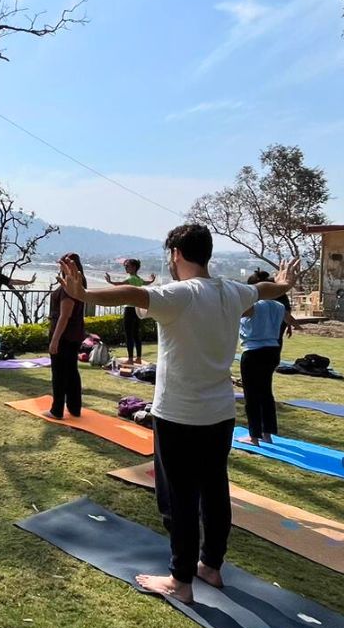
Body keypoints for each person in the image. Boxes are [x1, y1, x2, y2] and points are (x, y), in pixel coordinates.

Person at [58, 225, 298, 603]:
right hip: (220, 414)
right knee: (215, 490)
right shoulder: (232, 291)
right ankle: (211, 567)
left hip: (180, 416)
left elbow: (132, 292)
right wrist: (282, 285)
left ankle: (180, 581)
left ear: (175, 254)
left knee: (180, 498)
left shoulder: (179, 295)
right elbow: (264, 291)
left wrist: (85, 294)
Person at [238, 274, 286, 444]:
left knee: (252, 395)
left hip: (253, 352)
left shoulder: (251, 306)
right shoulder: (279, 306)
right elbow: (288, 319)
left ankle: (254, 436)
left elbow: (231, 314)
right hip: (272, 351)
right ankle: (268, 434)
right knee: (266, 392)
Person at [48, 253, 87, 419]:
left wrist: (55, 340)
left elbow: (65, 315)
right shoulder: (77, 284)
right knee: (71, 371)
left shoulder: (69, 287)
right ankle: (74, 408)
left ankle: (57, 410)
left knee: (60, 373)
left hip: (65, 336)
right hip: (73, 334)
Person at [106, 258, 156, 364]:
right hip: (138, 309)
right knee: (136, 334)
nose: (126, 267)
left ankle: (130, 359)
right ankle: (138, 358)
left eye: (127, 266)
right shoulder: (138, 279)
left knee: (129, 334)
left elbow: (119, 284)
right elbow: (146, 283)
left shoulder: (131, 278)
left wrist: (110, 281)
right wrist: (151, 280)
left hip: (129, 309)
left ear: (134, 267)